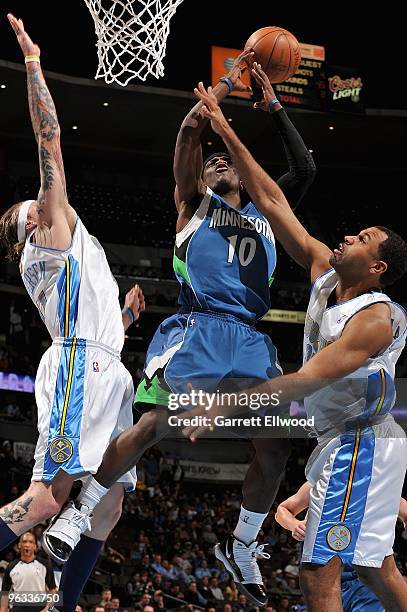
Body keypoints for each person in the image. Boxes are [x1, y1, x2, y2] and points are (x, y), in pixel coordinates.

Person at [44, 50, 316, 608]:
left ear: (245, 174)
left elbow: (305, 169)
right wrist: (228, 81)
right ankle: (79, 514)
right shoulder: (193, 202)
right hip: (199, 329)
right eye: (211, 159)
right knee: (155, 426)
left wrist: (270, 103)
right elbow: (193, 126)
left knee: (276, 449)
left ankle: (241, 545)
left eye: (226, 160)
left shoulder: (267, 211)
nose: (217, 161)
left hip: (251, 338)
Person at [179, 72, 407, 611]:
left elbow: (307, 379)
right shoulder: (325, 270)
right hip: (350, 443)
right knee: (375, 571)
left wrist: (225, 405)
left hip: (361, 442)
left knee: (316, 571)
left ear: (376, 266)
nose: (350, 234)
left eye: (365, 237)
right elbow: (274, 197)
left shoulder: (375, 318)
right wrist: (233, 124)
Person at [0, 13, 144, 610]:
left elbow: (82, 308)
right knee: (46, 499)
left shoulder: (61, 248)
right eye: (25, 205)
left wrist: (122, 323)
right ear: (24, 231)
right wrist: (33, 63)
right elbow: (50, 141)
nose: (37, 200)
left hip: (101, 360)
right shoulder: (48, 236)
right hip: (78, 369)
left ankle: (64, 605)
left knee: (107, 506)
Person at [276, 484, 407, 611]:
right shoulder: (320, 481)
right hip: (324, 580)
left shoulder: (378, 485)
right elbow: (283, 510)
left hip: (364, 579)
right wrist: (294, 524)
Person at [0, 532, 56, 612]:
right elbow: (5, 594)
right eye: (24, 541)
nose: (27, 545)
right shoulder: (11, 566)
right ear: (19, 545)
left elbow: (52, 589)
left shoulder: (45, 564)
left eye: (31, 542)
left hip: (40, 608)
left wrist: (47, 608)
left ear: (35, 546)